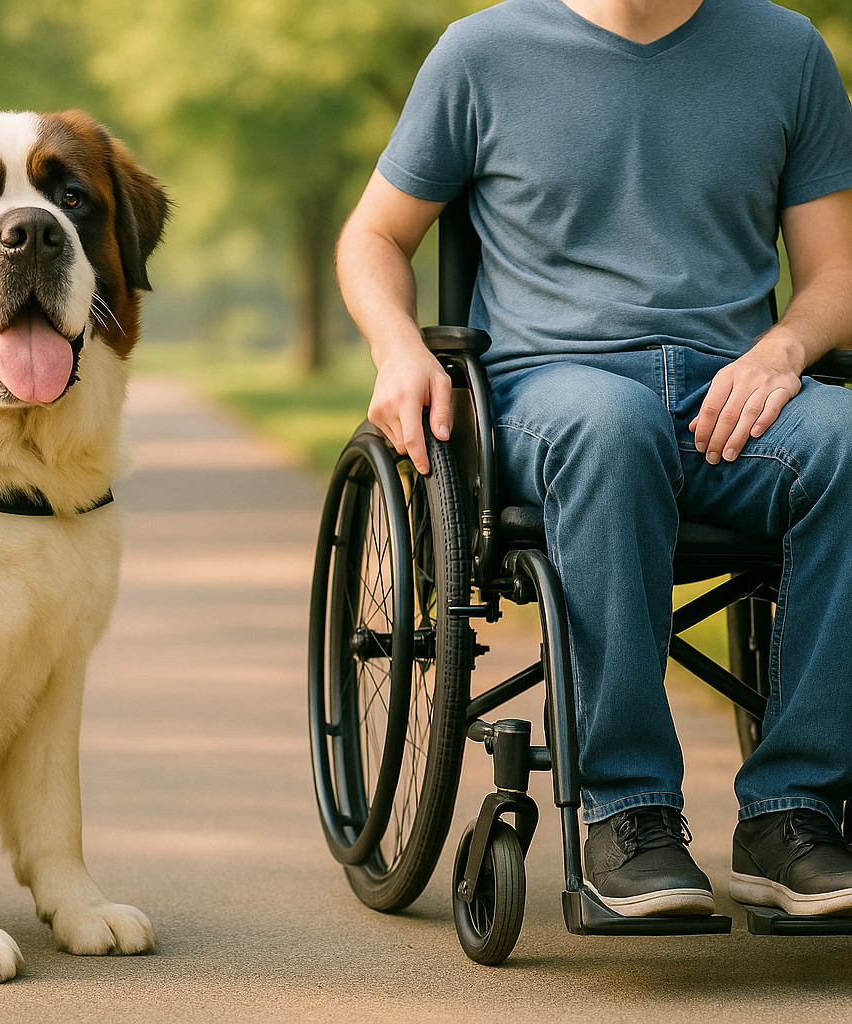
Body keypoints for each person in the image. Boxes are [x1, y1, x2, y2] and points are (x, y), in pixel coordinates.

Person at [336, 0, 852, 917]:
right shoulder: (483, 52)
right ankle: (629, 813)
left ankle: (792, 814)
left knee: (846, 438)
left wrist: (784, 348)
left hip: (731, 397)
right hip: (552, 394)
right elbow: (373, 235)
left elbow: (837, 268)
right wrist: (398, 347)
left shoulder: (786, 50)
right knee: (614, 426)